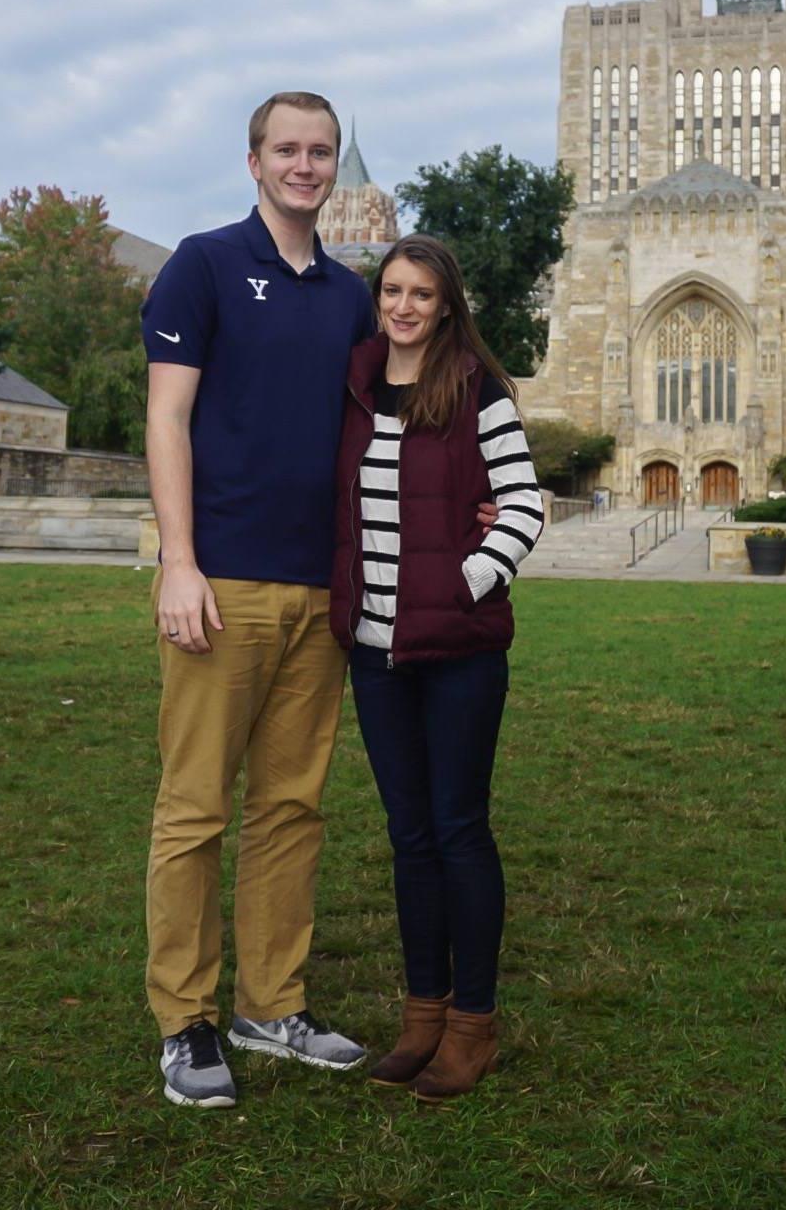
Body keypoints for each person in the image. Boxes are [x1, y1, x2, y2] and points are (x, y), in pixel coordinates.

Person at [140, 91, 376, 1108]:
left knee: (291, 806)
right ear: (253, 160)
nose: (306, 164)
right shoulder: (202, 264)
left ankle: (269, 1004)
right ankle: (185, 1019)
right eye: (288, 147)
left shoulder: (352, 293)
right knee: (195, 807)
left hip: (321, 587)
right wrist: (178, 559)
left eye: (320, 150)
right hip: (222, 580)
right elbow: (167, 416)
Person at [329, 235, 545, 1101]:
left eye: (422, 293)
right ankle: (423, 1014)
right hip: (377, 654)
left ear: (446, 304)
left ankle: (473, 1027)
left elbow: (524, 504)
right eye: (392, 291)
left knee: (458, 831)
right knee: (407, 837)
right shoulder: (353, 385)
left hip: (458, 652)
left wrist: (466, 581)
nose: (405, 306)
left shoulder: (475, 389)